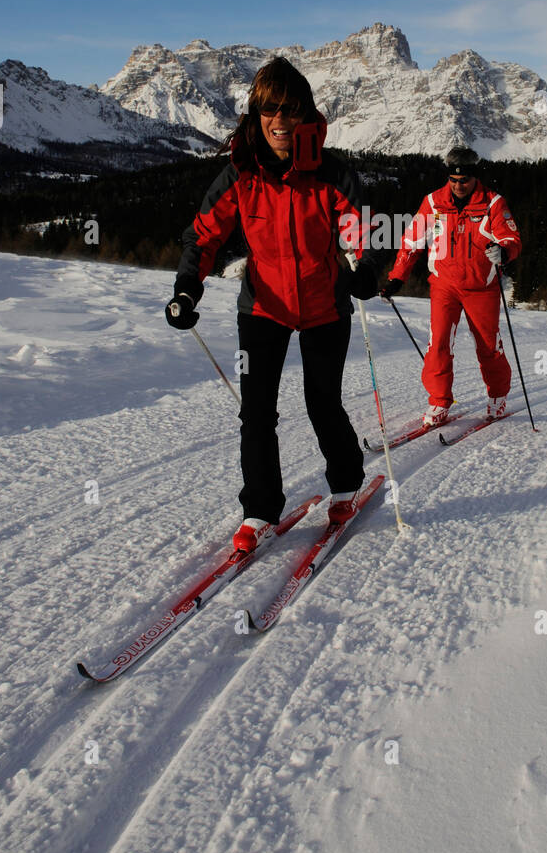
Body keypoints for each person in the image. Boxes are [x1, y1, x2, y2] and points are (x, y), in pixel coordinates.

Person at [166, 57, 377, 553]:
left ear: (307, 115)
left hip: (326, 305)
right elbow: (203, 237)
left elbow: (361, 231)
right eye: (270, 109)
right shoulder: (240, 174)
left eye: (290, 109)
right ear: (255, 115)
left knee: (322, 401)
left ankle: (346, 485)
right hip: (262, 308)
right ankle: (260, 509)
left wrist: (367, 267)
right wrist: (186, 288)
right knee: (257, 412)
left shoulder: (332, 174)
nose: (280, 120)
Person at [379, 145, 521, 425]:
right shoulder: (433, 202)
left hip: (482, 286)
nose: (458, 186)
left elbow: (512, 238)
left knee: (488, 346)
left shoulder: (493, 203)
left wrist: (504, 252)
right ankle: (439, 401)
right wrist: (397, 277)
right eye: (453, 180)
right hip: (444, 285)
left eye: (464, 180)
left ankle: (498, 396)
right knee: (438, 344)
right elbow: (411, 242)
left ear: (474, 177)